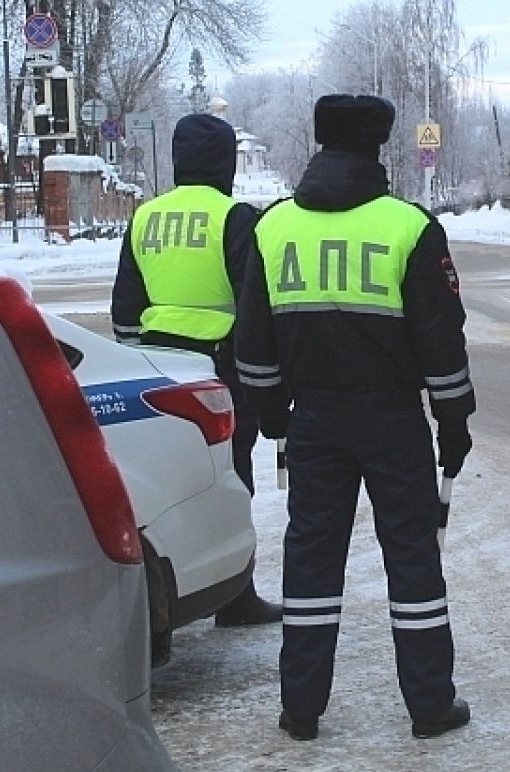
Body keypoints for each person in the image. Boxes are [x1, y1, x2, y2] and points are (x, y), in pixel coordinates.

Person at [235, 94, 475, 742]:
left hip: (314, 419)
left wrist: (272, 415)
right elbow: (441, 339)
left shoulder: (274, 227)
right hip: (393, 420)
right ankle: (429, 705)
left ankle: (301, 708)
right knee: (413, 561)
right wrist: (453, 422)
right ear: (378, 147)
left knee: (311, 561)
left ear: (319, 142)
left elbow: (252, 343)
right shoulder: (409, 227)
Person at [110, 113, 283, 627]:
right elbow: (254, 306)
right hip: (219, 369)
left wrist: (140, 358)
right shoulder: (236, 217)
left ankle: (180, 584)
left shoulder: (145, 217)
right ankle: (234, 592)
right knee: (231, 476)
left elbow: (125, 308)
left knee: (169, 481)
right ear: (227, 162)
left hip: (159, 366)